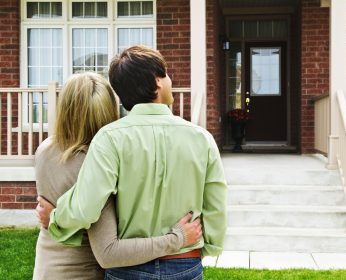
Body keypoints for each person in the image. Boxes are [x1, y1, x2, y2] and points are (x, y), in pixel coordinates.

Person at [37, 46, 227, 280]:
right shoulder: (202, 139)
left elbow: (86, 207)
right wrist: (208, 247)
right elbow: (215, 205)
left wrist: (55, 218)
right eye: (166, 74)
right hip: (183, 261)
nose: (170, 80)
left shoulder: (109, 139)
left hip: (128, 269)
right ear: (157, 83)